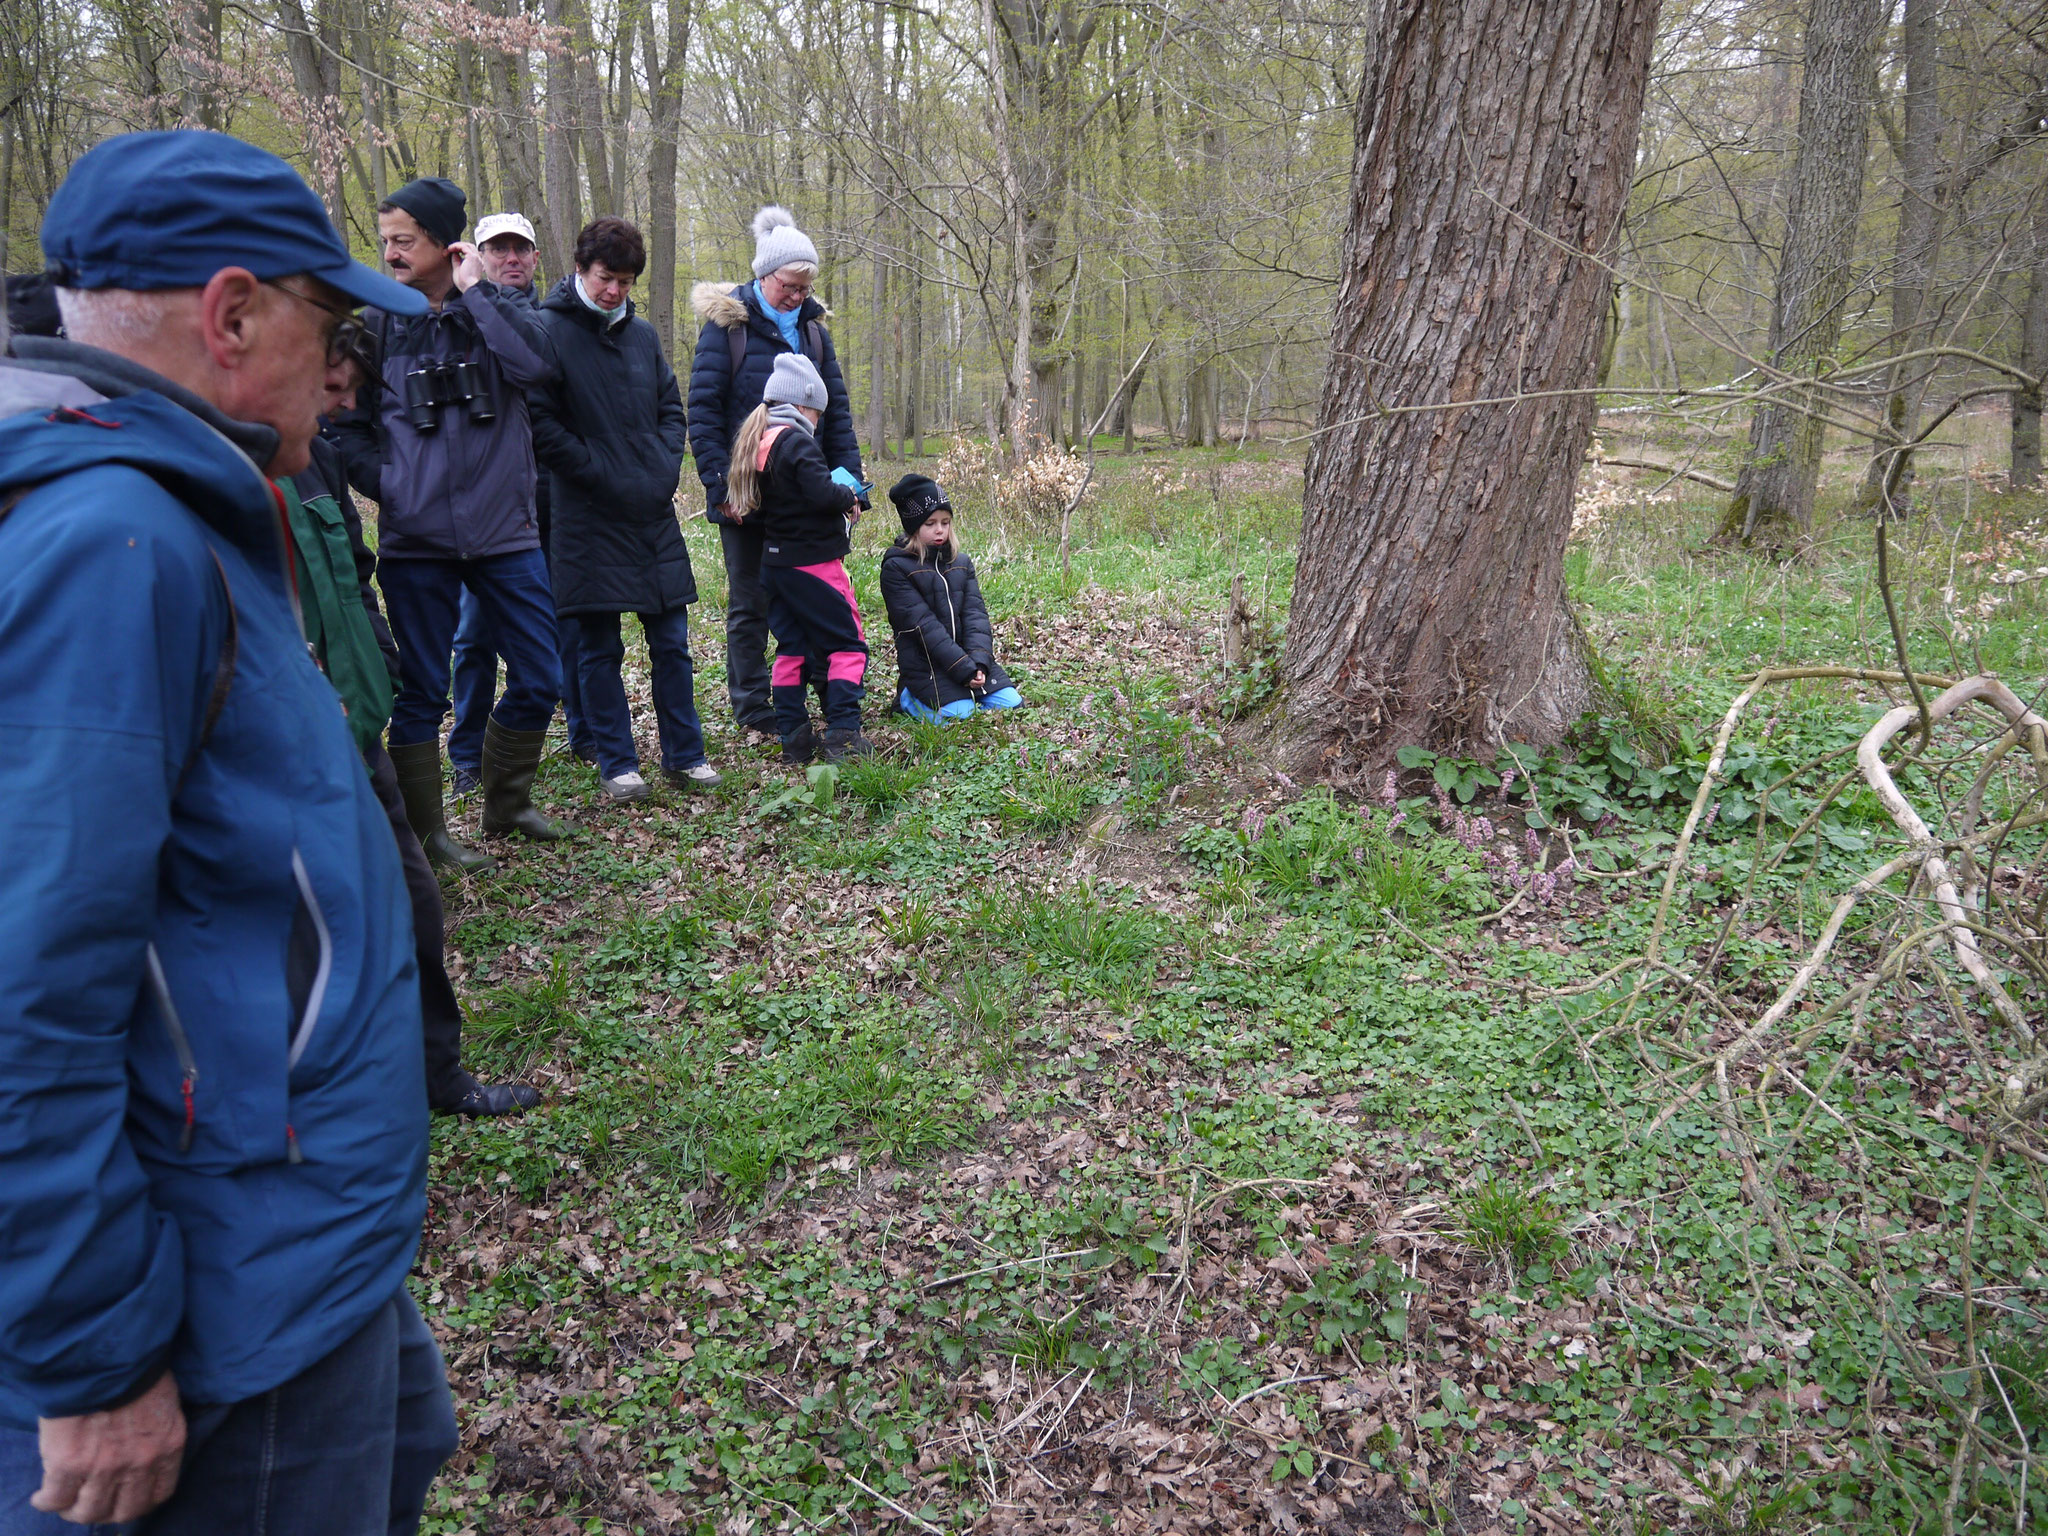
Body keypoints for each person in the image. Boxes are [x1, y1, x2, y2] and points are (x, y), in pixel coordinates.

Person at [0, 129, 454, 1534]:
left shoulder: (184, 513)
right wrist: (94, 1352)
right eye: (327, 330)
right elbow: (29, 990)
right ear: (232, 312)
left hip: (294, 1250)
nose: (342, 375)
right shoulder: (110, 548)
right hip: (212, 1310)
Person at [285, 405, 542, 1119]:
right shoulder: (206, 470)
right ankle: (326, 1102)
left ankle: (437, 1074)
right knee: (308, 926)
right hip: (281, 747)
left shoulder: (313, 456)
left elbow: (353, 576)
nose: (334, 390)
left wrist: (377, 657)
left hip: (358, 729)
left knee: (412, 896)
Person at [330, 176, 564, 873]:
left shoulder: (500, 307)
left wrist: (477, 292)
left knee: (539, 673)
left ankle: (506, 802)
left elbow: (537, 368)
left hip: (507, 535)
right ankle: (429, 835)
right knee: (423, 688)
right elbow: (345, 426)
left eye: (405, 241)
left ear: (443, 243)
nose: (392, 254)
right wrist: (393, 486)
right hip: (417, 541)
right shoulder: (374, 322)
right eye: (387, 241)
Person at [529, 217, 720, 801]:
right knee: (598, 648)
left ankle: (685, 755)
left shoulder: (641, 335)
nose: (615, 291)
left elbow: (671, 407)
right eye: (607, 278)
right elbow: (541, 423)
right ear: (582, 269)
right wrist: (600, 472)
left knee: (671, 642)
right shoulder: (547, 330)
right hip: (585, 514)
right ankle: (617, 761)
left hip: (650, 510)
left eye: (626, 281)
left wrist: (664, 469)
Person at [687, 205, 866, 735]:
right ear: (765, 276)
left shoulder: (814, 333)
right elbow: (702, 411)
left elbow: (837, 415)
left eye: (806, 287)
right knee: (751, 600)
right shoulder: (728, 328)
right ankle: (751, 701)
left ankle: (816, 688)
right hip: (745, 492)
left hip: (804, 494)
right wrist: (720, 487)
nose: (798, 296)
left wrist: (848, 479)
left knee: (809, 595)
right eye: (790, 285)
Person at [447, 212, 596, 791]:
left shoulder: (554, 321)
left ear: (536, 258)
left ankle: (582, 733)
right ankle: (467, 756)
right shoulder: (456, 318)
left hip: (555, 498)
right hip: (485, 507)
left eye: (520, 249)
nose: (510, 257)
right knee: (476, 634)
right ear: (476, 257)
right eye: (498, 249)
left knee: (570, 624)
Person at [725, 353, 874, 763]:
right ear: (804, 403)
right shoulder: (796, 442)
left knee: (792, 648)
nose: (820, 420)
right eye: (819, 411)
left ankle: (794, 735)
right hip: (815, 564)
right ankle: (844, 732)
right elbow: (823, 494)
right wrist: (851, 495)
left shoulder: (762, 442)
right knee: (848, 645)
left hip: (775, 566)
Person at [880, 473, 1025, 724]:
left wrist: (979, 663)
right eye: (930, 523)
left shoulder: (961, 563)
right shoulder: (896, 568)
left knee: (1014, 704)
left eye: (945, 522)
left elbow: (975, 616)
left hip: (968, 663)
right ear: (914, 526)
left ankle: (964, 691)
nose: (940, 529)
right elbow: (924, 627)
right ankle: (907, 698)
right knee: (961, 718)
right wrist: (963, 669)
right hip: (927, 669)